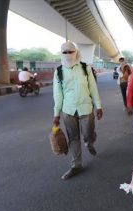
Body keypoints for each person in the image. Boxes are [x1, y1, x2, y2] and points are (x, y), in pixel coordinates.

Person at [53, 41, 103, 180]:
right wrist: (56, 114)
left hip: (86, 108)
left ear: (76, 52)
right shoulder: (59, 71)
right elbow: (57, 94)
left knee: (88, 133)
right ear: (61, 54)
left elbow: (93, 87)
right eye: (65, 52)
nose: (68, 54)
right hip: (68, 110)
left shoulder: (85, 68)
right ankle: (76, 165)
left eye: (71, 51)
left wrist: (98, 106)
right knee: (73, 138)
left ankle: (90, 142)